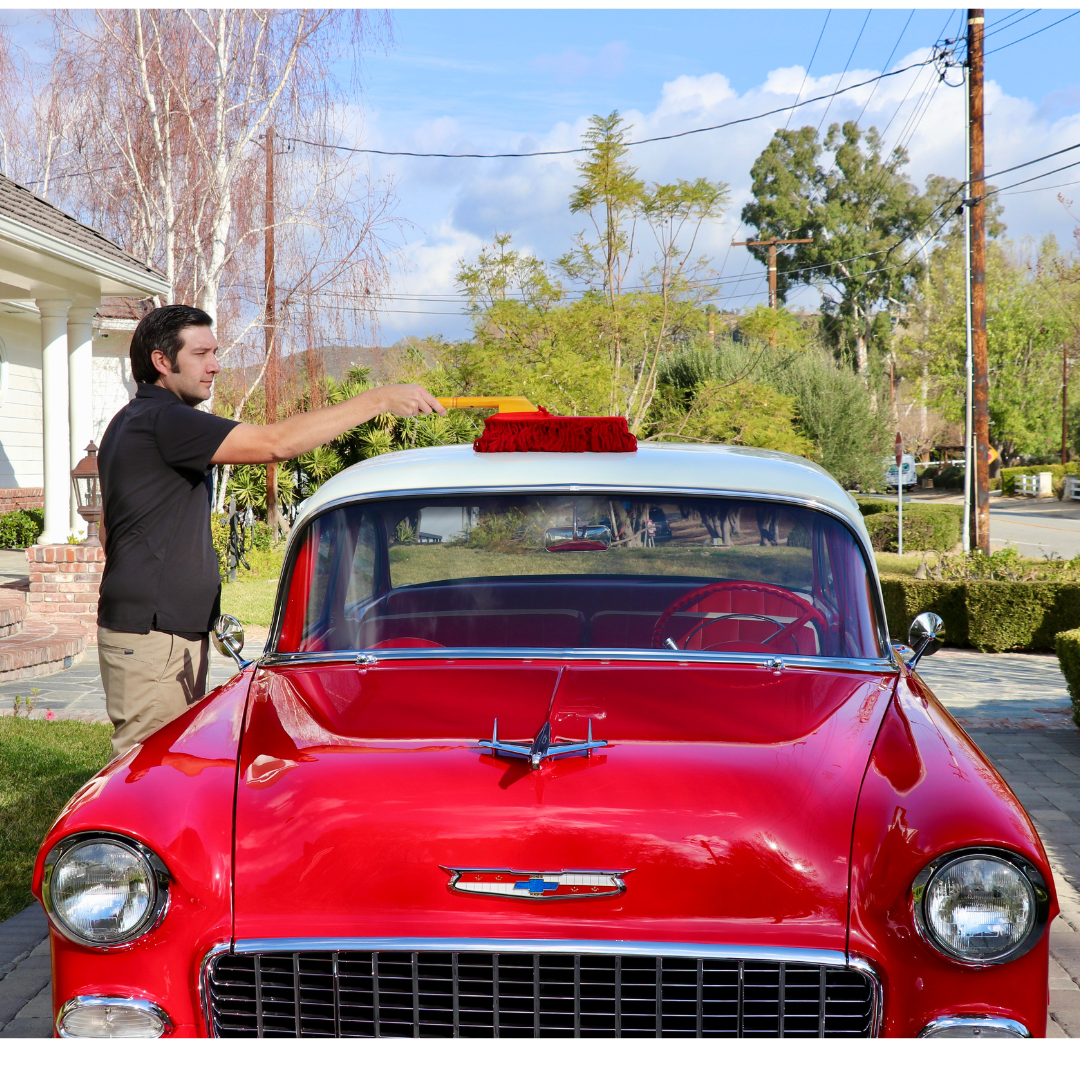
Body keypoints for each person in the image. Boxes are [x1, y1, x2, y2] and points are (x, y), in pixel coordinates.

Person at [96, 304, 444, 758]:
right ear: (162, 362)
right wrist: (378, 400)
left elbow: (108, 529)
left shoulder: (129, 421)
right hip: (155, 637)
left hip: (159, 631)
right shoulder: (167, 420)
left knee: (170, 766)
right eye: (201, 354)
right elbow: (275, 443)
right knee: (148, 771)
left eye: (215, 352)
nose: (215, 365)